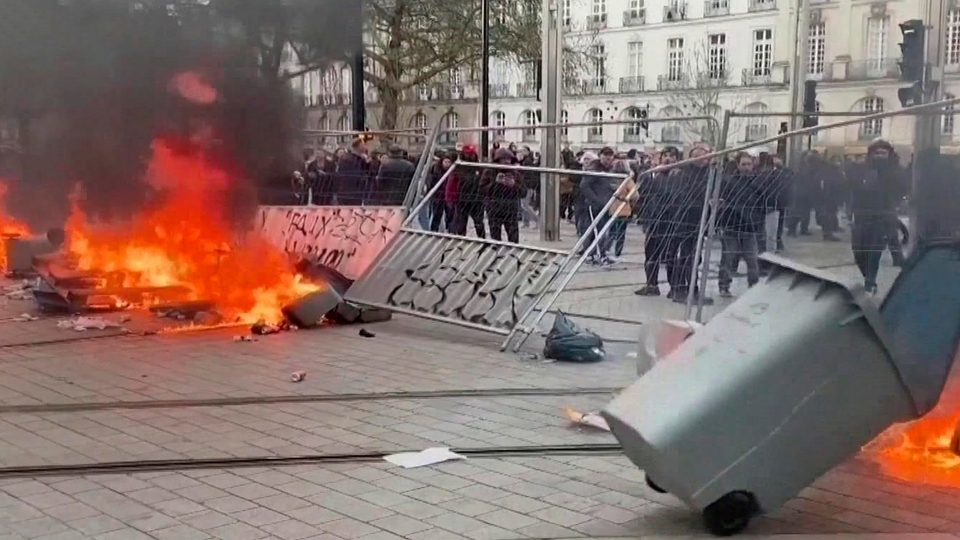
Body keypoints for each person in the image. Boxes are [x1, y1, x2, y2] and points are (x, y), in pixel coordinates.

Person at [849, 139, 906, 294]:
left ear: (889, 154)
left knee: (874, 250)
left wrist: (886, 177)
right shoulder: (862, 169)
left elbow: (901, 190)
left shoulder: (895, 171)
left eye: (883, 153)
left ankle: (870, 283)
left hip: (883, 216)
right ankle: (868, 277)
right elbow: (853, 188)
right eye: (877, 153)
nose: (880, 156)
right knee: (858, 251)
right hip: (862, 215)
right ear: (871, 154)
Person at [667, 143, 714, 305]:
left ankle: (692, 289)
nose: (706, 159)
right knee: (687, 257)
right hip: (685, 220)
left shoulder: (707, 173)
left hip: (699, 220)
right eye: (703, 155)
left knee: (694, 258)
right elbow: (685, 195)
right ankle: (680, 290)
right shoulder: (683, 173)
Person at [636, 147, 681, 296]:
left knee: (670, 256)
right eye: (665, 156)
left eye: (672, 156)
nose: (668, 159)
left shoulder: (678, 176)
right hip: (654, 220)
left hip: (671, 221)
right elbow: (645, 195)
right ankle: (651, 285)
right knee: (651, 254)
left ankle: (674, 287)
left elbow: (672, 196)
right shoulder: (654, 175)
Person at [717, 152, 763, 298]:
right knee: (728, 258)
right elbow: (721, 203)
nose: (746, 167)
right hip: (731, 225)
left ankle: (754, 285)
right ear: (737, 165)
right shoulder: (728, 182)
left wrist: (758, 222)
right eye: (743, 164)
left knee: (752, 260)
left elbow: (762, 203)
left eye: (749, 164)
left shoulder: (757, 183)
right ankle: (724, 286)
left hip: (749, 227)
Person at [580, 147, 617, 266]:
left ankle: (595, 254)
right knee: (596, 231)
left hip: (605, 204)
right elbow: (584, 186)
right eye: (606, 158)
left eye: (610, 158)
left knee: (601, 230)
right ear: (600, 156)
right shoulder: (594, 169)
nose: (608, 161)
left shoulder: (608, 170)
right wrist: (596, 200)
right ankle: (598, 255)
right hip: (594, 205)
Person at [481, 148, 526, 242]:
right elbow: (482, 189)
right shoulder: (489, 171)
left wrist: (514, 185)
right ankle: (496, 250)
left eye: (508, 159)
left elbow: (523, 192)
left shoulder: (515, 173)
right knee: (495, 237)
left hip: (510, 210)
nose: (506, 162)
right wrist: (495, 183)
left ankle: (512, 251)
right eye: (503, 159)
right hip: (494, 209)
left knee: (513, 238)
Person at [453, 144, 486, 237]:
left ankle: (482, 240)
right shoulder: (459, 166)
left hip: (477, 199)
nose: (470, 155)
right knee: (461, 223)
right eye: (468, 154)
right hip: (462, 199)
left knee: (479, 223)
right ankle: (461, 239)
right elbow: (454, 182)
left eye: (472, 153)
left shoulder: (478, 166)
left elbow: (483, 181)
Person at [608, 160, 639, 258]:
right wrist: (626, 198)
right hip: (623, 209)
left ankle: (606, 248)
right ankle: (618, 251)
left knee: (610, 230)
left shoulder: (610, 179)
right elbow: (635, 195)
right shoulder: (628, 180)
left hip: (610, 208)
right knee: (621, 232)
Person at [335, 138, 369, 206]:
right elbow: (353, 176)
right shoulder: (349, 159)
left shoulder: (358, 159)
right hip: (350, 194)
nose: (365, 146)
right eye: (363, 144)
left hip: (355, 193)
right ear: (358, 147)